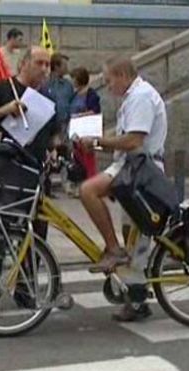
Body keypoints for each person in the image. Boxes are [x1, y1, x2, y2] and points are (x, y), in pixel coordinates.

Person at [0, 46, 55, 319]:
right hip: (5, 176)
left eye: (48, 65)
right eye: (39, 63)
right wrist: (5, 110)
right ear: (24, 63)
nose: (44, 69)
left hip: (36, 176)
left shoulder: (46, 98)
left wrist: (55, 148)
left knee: (35, 236)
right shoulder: (2, 89)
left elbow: (51, 136)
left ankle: (25, 289)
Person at [79, 58, 167, 322]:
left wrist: (98, 141)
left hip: (140, 171)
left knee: (88, 191)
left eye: (109, 80)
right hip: (131, 169)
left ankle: (113, 249)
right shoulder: (135, 96)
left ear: (122, 75)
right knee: (134, 235)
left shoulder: (140, 97)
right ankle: (136, 298)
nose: (108, 87)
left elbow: (133, 140)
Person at [42, 53, 74, 195]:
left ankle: (67, 183)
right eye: (64, 64)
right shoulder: (45, 84)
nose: (67, 68)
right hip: (49, 125)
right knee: (48, 155)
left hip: (65, 124)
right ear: (56, 67)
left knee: (65, 154)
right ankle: (45, 186)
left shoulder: (68, 85)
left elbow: (71, 101)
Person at [68, 66, 100, 186]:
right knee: (77, 157)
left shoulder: (91, 94)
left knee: (88, 158)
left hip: (87, 129)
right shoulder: (75, 93)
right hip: (76, 130)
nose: (72, 81)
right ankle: (80, 183)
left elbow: (95, 110)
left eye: (74, 78)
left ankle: (91, 183)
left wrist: (79, 115)